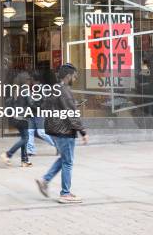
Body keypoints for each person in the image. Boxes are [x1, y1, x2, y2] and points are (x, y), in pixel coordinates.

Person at [36, 63, 89, 204]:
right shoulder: (65, 91)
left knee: (64, 159)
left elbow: (48, 107)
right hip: (64, 131)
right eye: (74, 76)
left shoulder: (54, 89)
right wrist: (83, 132)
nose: (75, 78)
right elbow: (71, 114)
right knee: (68, 162)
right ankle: (65, 193)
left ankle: (44, 181)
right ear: (68, 76)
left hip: (55, 130)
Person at [1, 72, 33, 167]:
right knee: (25, 138)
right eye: (28, 79)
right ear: (25, 80)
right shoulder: (26, 90)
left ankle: (24, 160)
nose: (29, 81)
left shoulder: (16, 89)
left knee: (24, 137)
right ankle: (8, 154)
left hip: (15, 117)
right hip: (22, 118)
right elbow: (31, 103)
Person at [27, 73, 55, 156]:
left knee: (41, 132)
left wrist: (36, 106)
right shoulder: (31, 88)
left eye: (32, 79)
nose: (31, 81)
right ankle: (31, 150)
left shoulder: (42, 89)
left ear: (37, 80)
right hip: (32, 112)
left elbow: (44, 101)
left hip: (39, 113)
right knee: (30, 132)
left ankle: (56, 145)